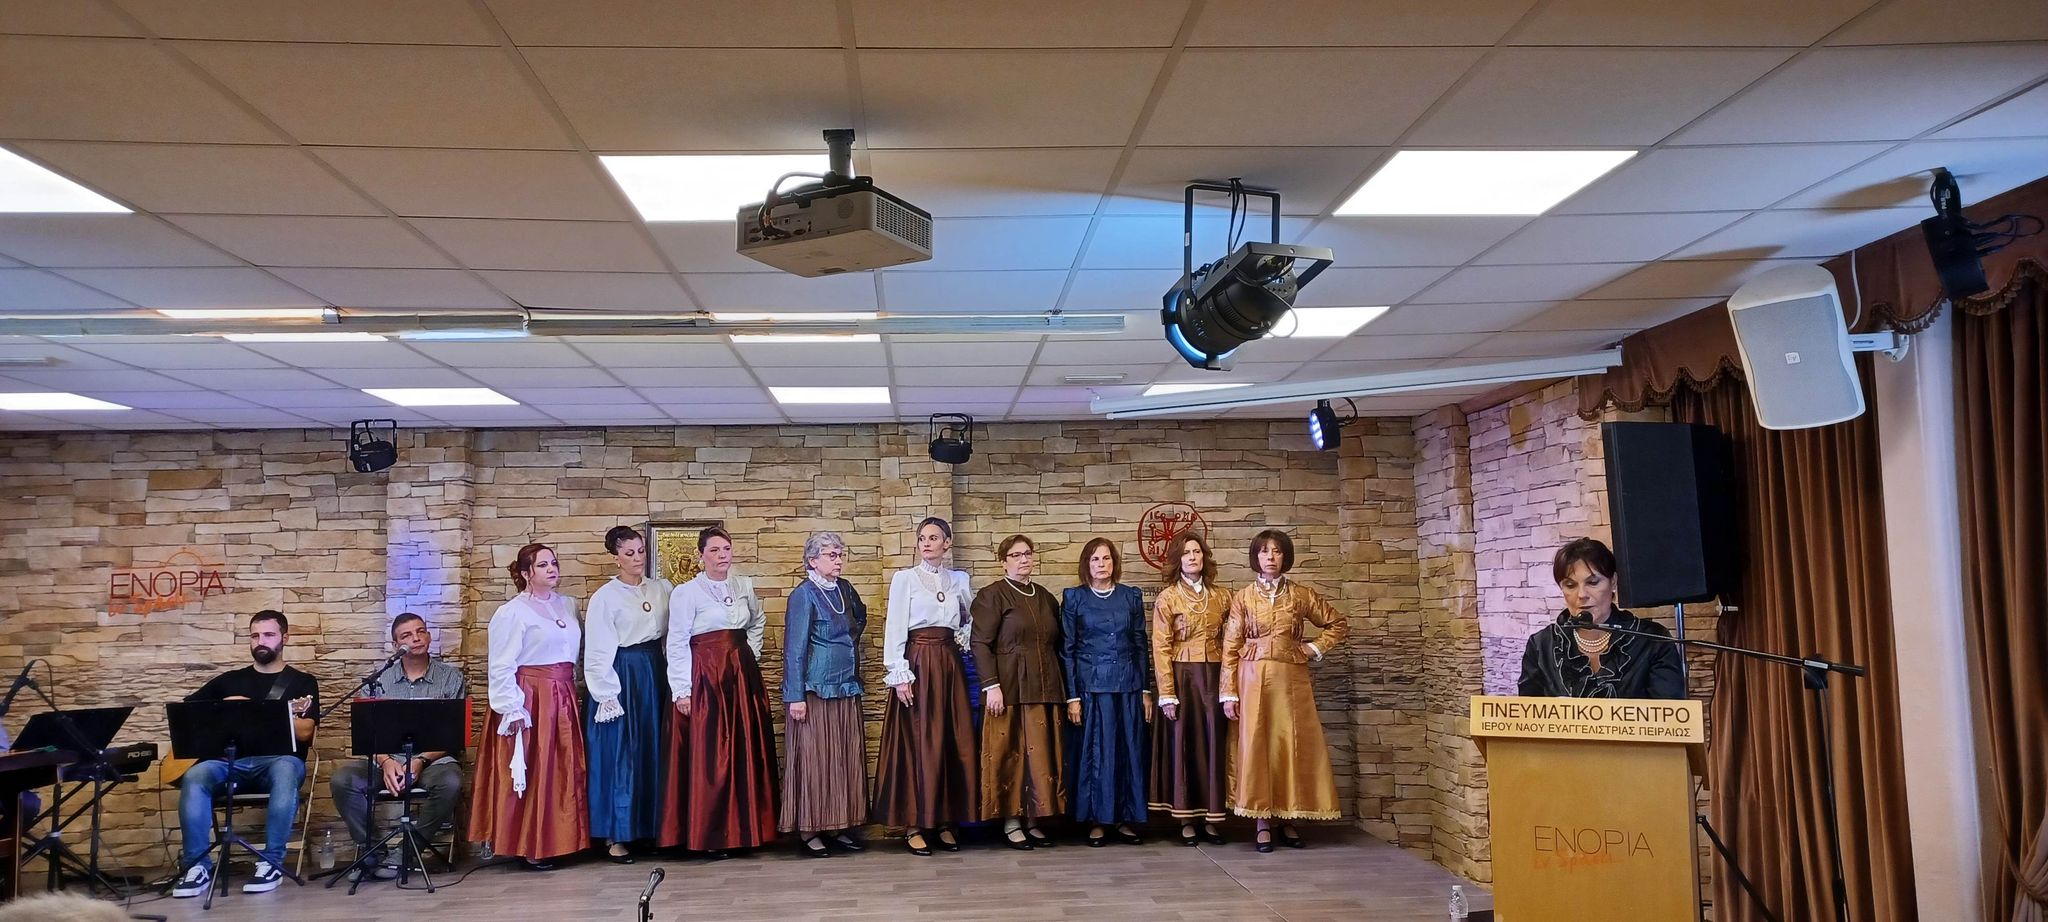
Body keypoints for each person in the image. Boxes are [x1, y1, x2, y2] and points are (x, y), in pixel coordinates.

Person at [171, 610, 319, 898]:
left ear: (285, 638)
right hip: (229, 764)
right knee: (196, 774)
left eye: (269, 635)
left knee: (286, 769)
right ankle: (197, 867)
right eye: (255, 635)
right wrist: (226, 708)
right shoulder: (228, 681)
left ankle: (271, 863)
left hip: (277, 763)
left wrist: (259, 712)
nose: (260, 641)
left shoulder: (301, 683)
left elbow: (305, 732)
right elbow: (188, 716)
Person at [1220, 529, 1348, 853]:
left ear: (1285, 557)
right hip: (1252, 679)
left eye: (1276, 551)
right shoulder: (1243, 598)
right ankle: (1261, 819)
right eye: (1264, 552)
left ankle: (1288, 815)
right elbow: (1230, 646)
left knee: (1290, 744)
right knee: (1257, 744)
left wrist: (1313, 648)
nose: (1270, 557)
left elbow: (1337, 623)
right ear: (1256, 557)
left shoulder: (1301, 595)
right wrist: (1228, 692)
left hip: (1291, 681)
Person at [659, 527, 777, 857]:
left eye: (726, 548)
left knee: (742, 748)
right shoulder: (686, 593)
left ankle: (745, 831)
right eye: (714, 550)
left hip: (739, 676)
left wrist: (749, 654)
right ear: (701, 556)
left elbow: (757, 621)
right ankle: (711, 834)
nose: (722, 555)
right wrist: (682, 690)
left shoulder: (743, 586)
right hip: (706, 676)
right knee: (712, 753)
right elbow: (677, 641)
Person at [469, 543, 588, 870]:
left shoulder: (566, 605)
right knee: (535, 768)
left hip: (562, 693)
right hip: (531, 695)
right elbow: (501, 665)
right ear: (526, 573)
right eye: (543, 565)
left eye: (554, 563)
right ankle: (530, 843)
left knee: (561, 768)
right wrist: (512, 707)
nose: (552, 569)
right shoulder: (513, 612)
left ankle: (561, 839)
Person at [328, 612, 467, 881]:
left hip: (432, 761)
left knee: (450, 782)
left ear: (429, 636)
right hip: (387, 760)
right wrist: (386, 761)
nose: (416, 638)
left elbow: (454, 734)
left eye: (421, 631)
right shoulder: (379, 682)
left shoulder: (451, 678)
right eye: (407, 635)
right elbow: (368, 732)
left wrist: (420, 761)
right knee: (343, 780)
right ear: (396, 645)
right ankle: (372, 852)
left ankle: (405, 853)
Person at [872, 516, 977, 856]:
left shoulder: (959, 580)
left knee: (949, 739)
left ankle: (945, 820)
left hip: (949, 664)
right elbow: (895, 627)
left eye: (934, 537)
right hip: (918, 662)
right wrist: (899, 673)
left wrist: (961, 637)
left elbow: (969, 619)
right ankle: (915, 824)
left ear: (947, 542)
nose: (927, 543)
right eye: (922, 538)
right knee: (919, 741)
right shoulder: (905, 579)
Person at [583, 525, 672, 863]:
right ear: (616, 557)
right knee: (623, 752)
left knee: (653, 749)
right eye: (629, 553)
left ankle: (650, 829)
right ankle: (616, 834)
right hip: (623, 673)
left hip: (655, 671)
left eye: (641, 551)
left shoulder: (661, 588)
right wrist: (607, 694)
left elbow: (673, 633)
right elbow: (597, 650)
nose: (637, 558)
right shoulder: (605, 597)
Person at [971, 534, 1066, 850]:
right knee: (1009, 754)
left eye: (1028, 553)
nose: (1024, 559)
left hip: (1044, 685)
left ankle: (1034, 819)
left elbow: (1057, 643)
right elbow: (980, 644)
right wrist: (991, 686)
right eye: (1015, 555)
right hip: (1008, 688)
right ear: (1003, 562)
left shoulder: (1046, 597)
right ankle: (1011, 822)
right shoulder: (992, 596)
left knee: (1039, 756)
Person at [780, 532, 870, 857]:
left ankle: (837, 825)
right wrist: (795, 696)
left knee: (842, 759)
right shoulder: (803, 595)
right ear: (813, 560)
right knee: (816, 760)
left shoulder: (844, 589)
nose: (839, 560)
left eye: (840, 554)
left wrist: (844, 649)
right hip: (814, 690)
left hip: (846, 685)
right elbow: (794, 649)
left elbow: (860, 617)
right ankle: (810, 829)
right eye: (832, 555)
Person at [1061, 537, 1152, 847]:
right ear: (1086, 564)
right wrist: (1072, 696)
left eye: (1106, 559)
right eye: (1095, 559)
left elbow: (1140, 644)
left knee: (1128, 751)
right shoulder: (1074, 598)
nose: (1101, 564)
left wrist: (1145, 689)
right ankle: (1097, 821)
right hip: (1092, 689)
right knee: (1098, 754)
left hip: (1128, 686)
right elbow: (1068, 649)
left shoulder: (1130, 596)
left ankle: (1125, 819)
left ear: (1115, 563)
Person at [1517, 537, 1687, 700]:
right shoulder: (1541, 645)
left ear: (1613, 582)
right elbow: (1528, 713)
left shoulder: (1653, 640)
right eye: (1570, 585)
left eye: (1593, 583)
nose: (1582, 595)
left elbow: (1669, 714)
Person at [1149, 531, 1232, 846]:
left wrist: (1232, 684)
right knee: (1184, 743)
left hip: (1216, 676)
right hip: (1183, 678)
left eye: (1197, 552)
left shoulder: (1223, 596)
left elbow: (1234, 639)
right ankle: (1185, 818)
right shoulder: (1168, 597)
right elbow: (1160, 647)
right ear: (1177, 560)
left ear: (1204, 557)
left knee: (1213, 744)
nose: (1193, 557)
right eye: (1186, 553)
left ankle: (1212, 817)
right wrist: (1167, 693)